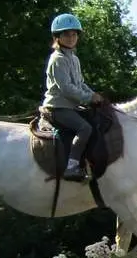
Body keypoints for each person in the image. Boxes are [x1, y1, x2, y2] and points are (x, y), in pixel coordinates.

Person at [42, 13, 106, 182]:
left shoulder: (74, 58)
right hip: (58, 107)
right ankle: (71, 166)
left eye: (73, 34)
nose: (71, 38)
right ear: (57, 37)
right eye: (66, 34)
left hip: (72, 106)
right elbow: (67, 89)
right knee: (85, 128)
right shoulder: (58, 59)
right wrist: (88, 98)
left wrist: (94, 95)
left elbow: (80, 84)